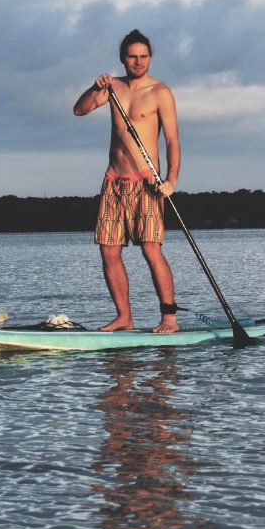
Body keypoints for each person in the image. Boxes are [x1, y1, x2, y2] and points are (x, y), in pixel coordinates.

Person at [72, 29, 181, 333]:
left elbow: (172, 141)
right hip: (113, 181)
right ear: (123, 58)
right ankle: (124, 317)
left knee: (150, 249)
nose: (138, 62)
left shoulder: (160, 92)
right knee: (109, 251)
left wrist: (171, 179)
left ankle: (169, 317)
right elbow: (79, 110)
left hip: (148, 182)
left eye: (143, 57)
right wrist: (95, 87)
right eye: (132, 57)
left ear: (150, 58)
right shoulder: (113, 88)